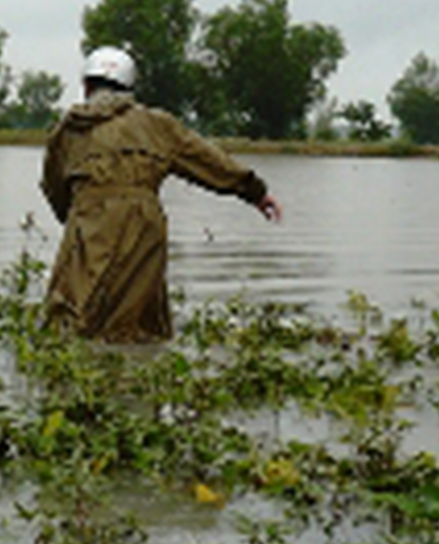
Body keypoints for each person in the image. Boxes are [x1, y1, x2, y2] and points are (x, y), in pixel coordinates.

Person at [43, 47, 278, 343]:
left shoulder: (66, 130)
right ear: (130, 87)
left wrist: (78, 217)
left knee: (70, 320)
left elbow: (54, 188)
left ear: (87, 85)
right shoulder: (157, 125)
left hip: (87, 226)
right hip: (144, 229)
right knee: (138, 324)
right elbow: (206, 160)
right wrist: (254, 191)